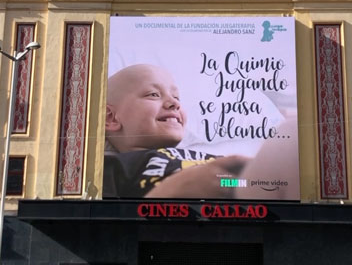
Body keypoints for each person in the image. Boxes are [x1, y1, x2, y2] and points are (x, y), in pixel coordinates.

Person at [102, 64, 247, 198]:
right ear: (111, 118)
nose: (175, 103)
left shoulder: (209, 157)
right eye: (153, 94)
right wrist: (171, 189)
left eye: (176, 97)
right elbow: (102, 220)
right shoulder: (112, 167)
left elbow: (238, 184)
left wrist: (248, 180)